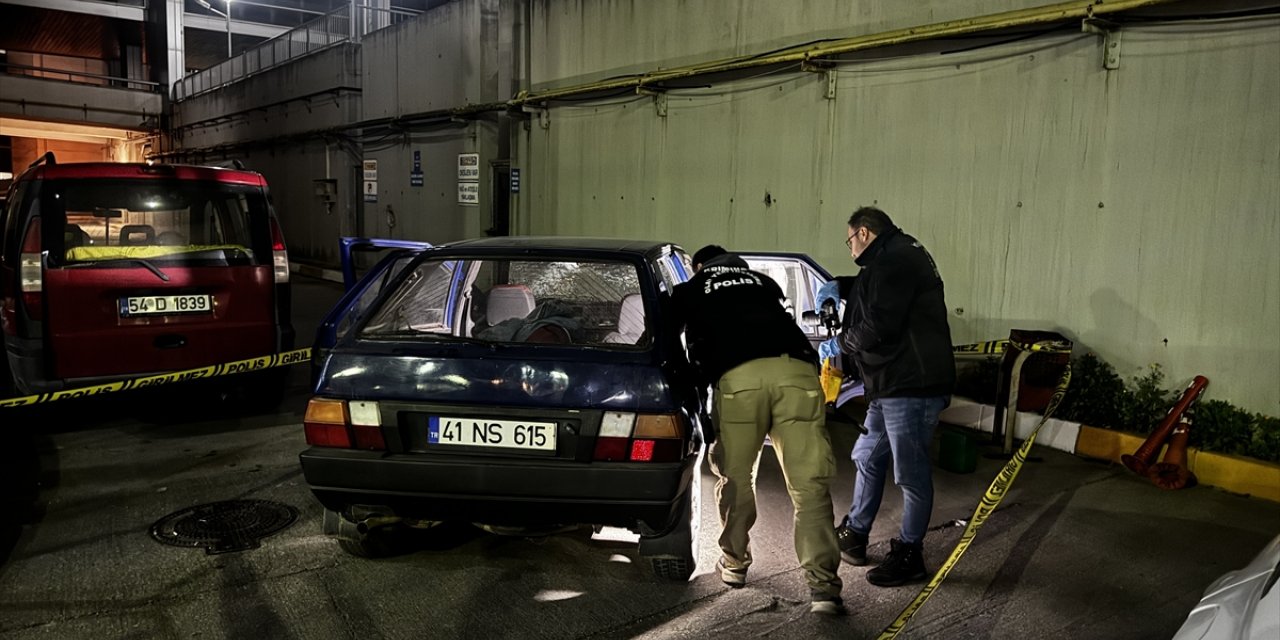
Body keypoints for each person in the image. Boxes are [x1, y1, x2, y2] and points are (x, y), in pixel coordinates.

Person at [671, 244, 845, 615]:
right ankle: (824, 591)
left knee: (737, 476)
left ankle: (734, 565)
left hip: (740, 379)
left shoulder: (692, 288)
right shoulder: (763, 282)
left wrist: (693, 395)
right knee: (809, 484)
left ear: (699, 266)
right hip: (797, 374)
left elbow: (677, 343)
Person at [817, 206, 955, 587]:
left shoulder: (896, 259)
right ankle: (857, 533)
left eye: (849, 241)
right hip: (892, 383)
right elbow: (871, 290)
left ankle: (910, 554)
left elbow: (879, 322)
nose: (850, 250)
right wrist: (840, 287)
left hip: (912, 385)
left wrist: (839, 344)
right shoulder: (893, 257)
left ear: (863, 233)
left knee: (910, 473)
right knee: (866, 456)